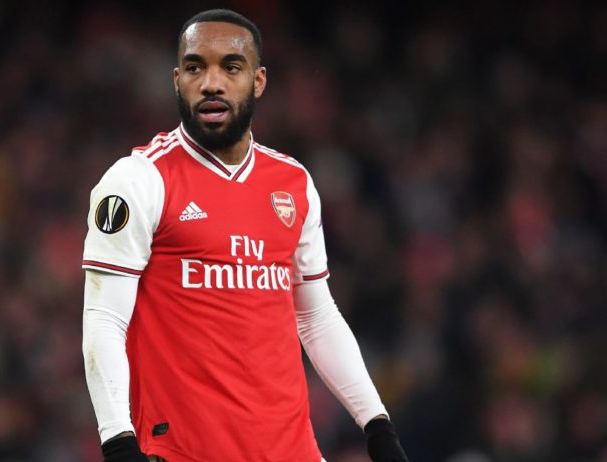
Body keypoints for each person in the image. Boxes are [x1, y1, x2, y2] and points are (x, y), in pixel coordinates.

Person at [82, 9, 409, 462]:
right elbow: (104, 318)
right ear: (177, 81)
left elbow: (316, 316)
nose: (210, 83)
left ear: (258, 81)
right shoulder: (138, 180)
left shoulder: (293, 183)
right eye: (195, 68)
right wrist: (118, 441)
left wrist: (377, 425)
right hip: (185, 452)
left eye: (230, 67)